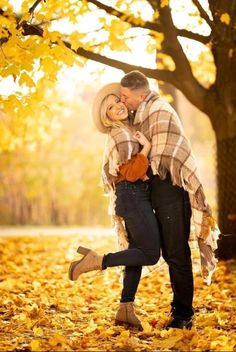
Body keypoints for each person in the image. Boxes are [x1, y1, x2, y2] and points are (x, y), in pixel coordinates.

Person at [119, 70, 219, 329]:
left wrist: (143, 164)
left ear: (141, 95)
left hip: (172, 189)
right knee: (166, 251)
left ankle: (183, 315)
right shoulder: (140, 116)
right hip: (157, 191)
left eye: (126, 96)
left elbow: (167, 154)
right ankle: (179, 309)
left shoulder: (159, 110)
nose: (123, 101)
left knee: (176, 253)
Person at [68, 83, 161, 330]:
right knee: (150, 254)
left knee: (137, 254)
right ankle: (96, 260)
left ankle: (125, 309)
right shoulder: (120, 135)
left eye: (117, 101)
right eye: (110, 108)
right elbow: (130, 173)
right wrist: (148, 149)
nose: (117, 107)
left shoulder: (126, 130)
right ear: (106, 117)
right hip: (132, 196)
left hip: (131, 197)